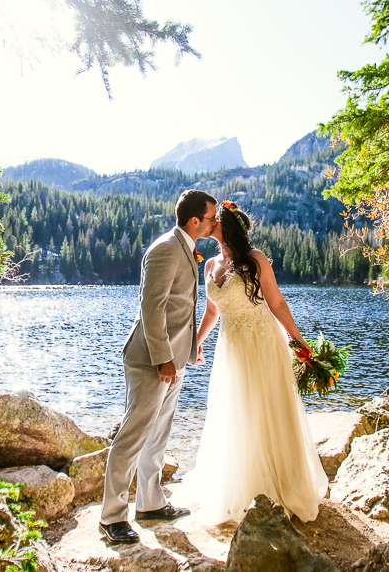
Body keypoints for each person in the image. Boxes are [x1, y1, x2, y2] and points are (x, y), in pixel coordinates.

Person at [173, 200, 328, 524]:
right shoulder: (211, 265)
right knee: (236, 411)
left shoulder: (255, 260)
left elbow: (277, 302)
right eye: (209, 219)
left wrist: (301, 346)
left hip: (263, 342)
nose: (210, 222)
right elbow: (213, 311)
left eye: (215, 220)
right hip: (230, 347)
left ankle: (280, 487)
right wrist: (194, 345)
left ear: (225, 226)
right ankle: (243, 488)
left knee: (267, 410)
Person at [99, 189, 218, 544]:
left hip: (173, 359)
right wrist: (164, 358)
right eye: (212, 217)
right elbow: (152, 307)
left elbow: (180, 307)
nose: (215, 223)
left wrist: (189, 348)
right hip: (151, 360)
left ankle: (150, 502)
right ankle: (111, 517)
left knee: (158, 435)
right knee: (133, 436)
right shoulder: (166, 248)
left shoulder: (185, 248)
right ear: (195, 220)